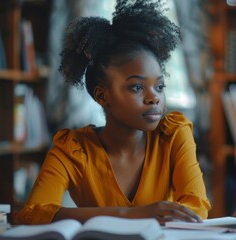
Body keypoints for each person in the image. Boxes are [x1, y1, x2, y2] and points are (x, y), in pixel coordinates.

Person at [16, 0, 211, 225]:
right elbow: (32, 214)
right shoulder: (73, 149)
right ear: (101, 96)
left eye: (159, 87)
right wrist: (131, 214)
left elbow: (195, 209)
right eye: (137, 87)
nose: (154, 97)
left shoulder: (173, 135)